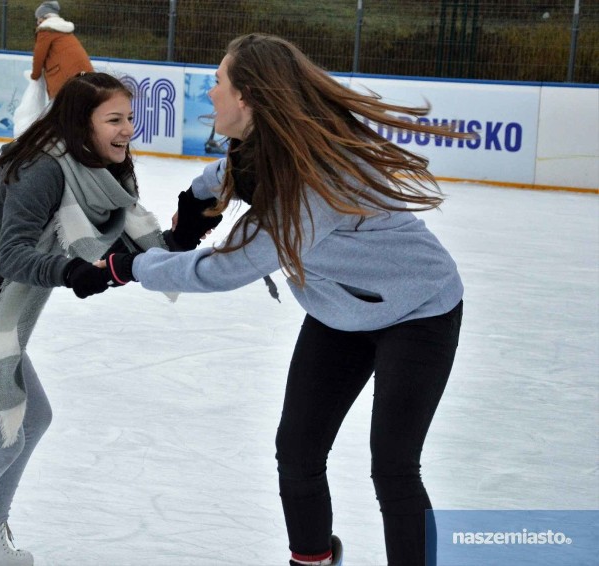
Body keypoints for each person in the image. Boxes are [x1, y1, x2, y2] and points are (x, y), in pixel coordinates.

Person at [97, 34, 470, 566]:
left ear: (247, 96)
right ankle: (312, 561)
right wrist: (195, 204)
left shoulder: (311, 181)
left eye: (219, 83)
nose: (211, 93)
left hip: (419, 311)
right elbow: (225, 174)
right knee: (297, 451)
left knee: (393, 465)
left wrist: (134, 265)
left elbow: (229, 269)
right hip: (338, 312)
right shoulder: (267, 145)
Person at [0, 72, 212, 566]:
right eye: (114, 119)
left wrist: (186, 237)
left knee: (34, 417)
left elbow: (128, 252)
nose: (127, 129)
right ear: (79, 124)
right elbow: (13, 256)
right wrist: (70, 271)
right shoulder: (44, 169)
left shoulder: (101, 176)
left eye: (130, 117)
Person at [31, 1, 93, 99]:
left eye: (38, 18)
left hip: (66, 78)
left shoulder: (45, 30)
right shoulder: (65, 31)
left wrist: (35, 76)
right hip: (85, 75)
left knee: (63, 108)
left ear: (43, 17)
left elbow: (39, 57)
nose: (37, 21)